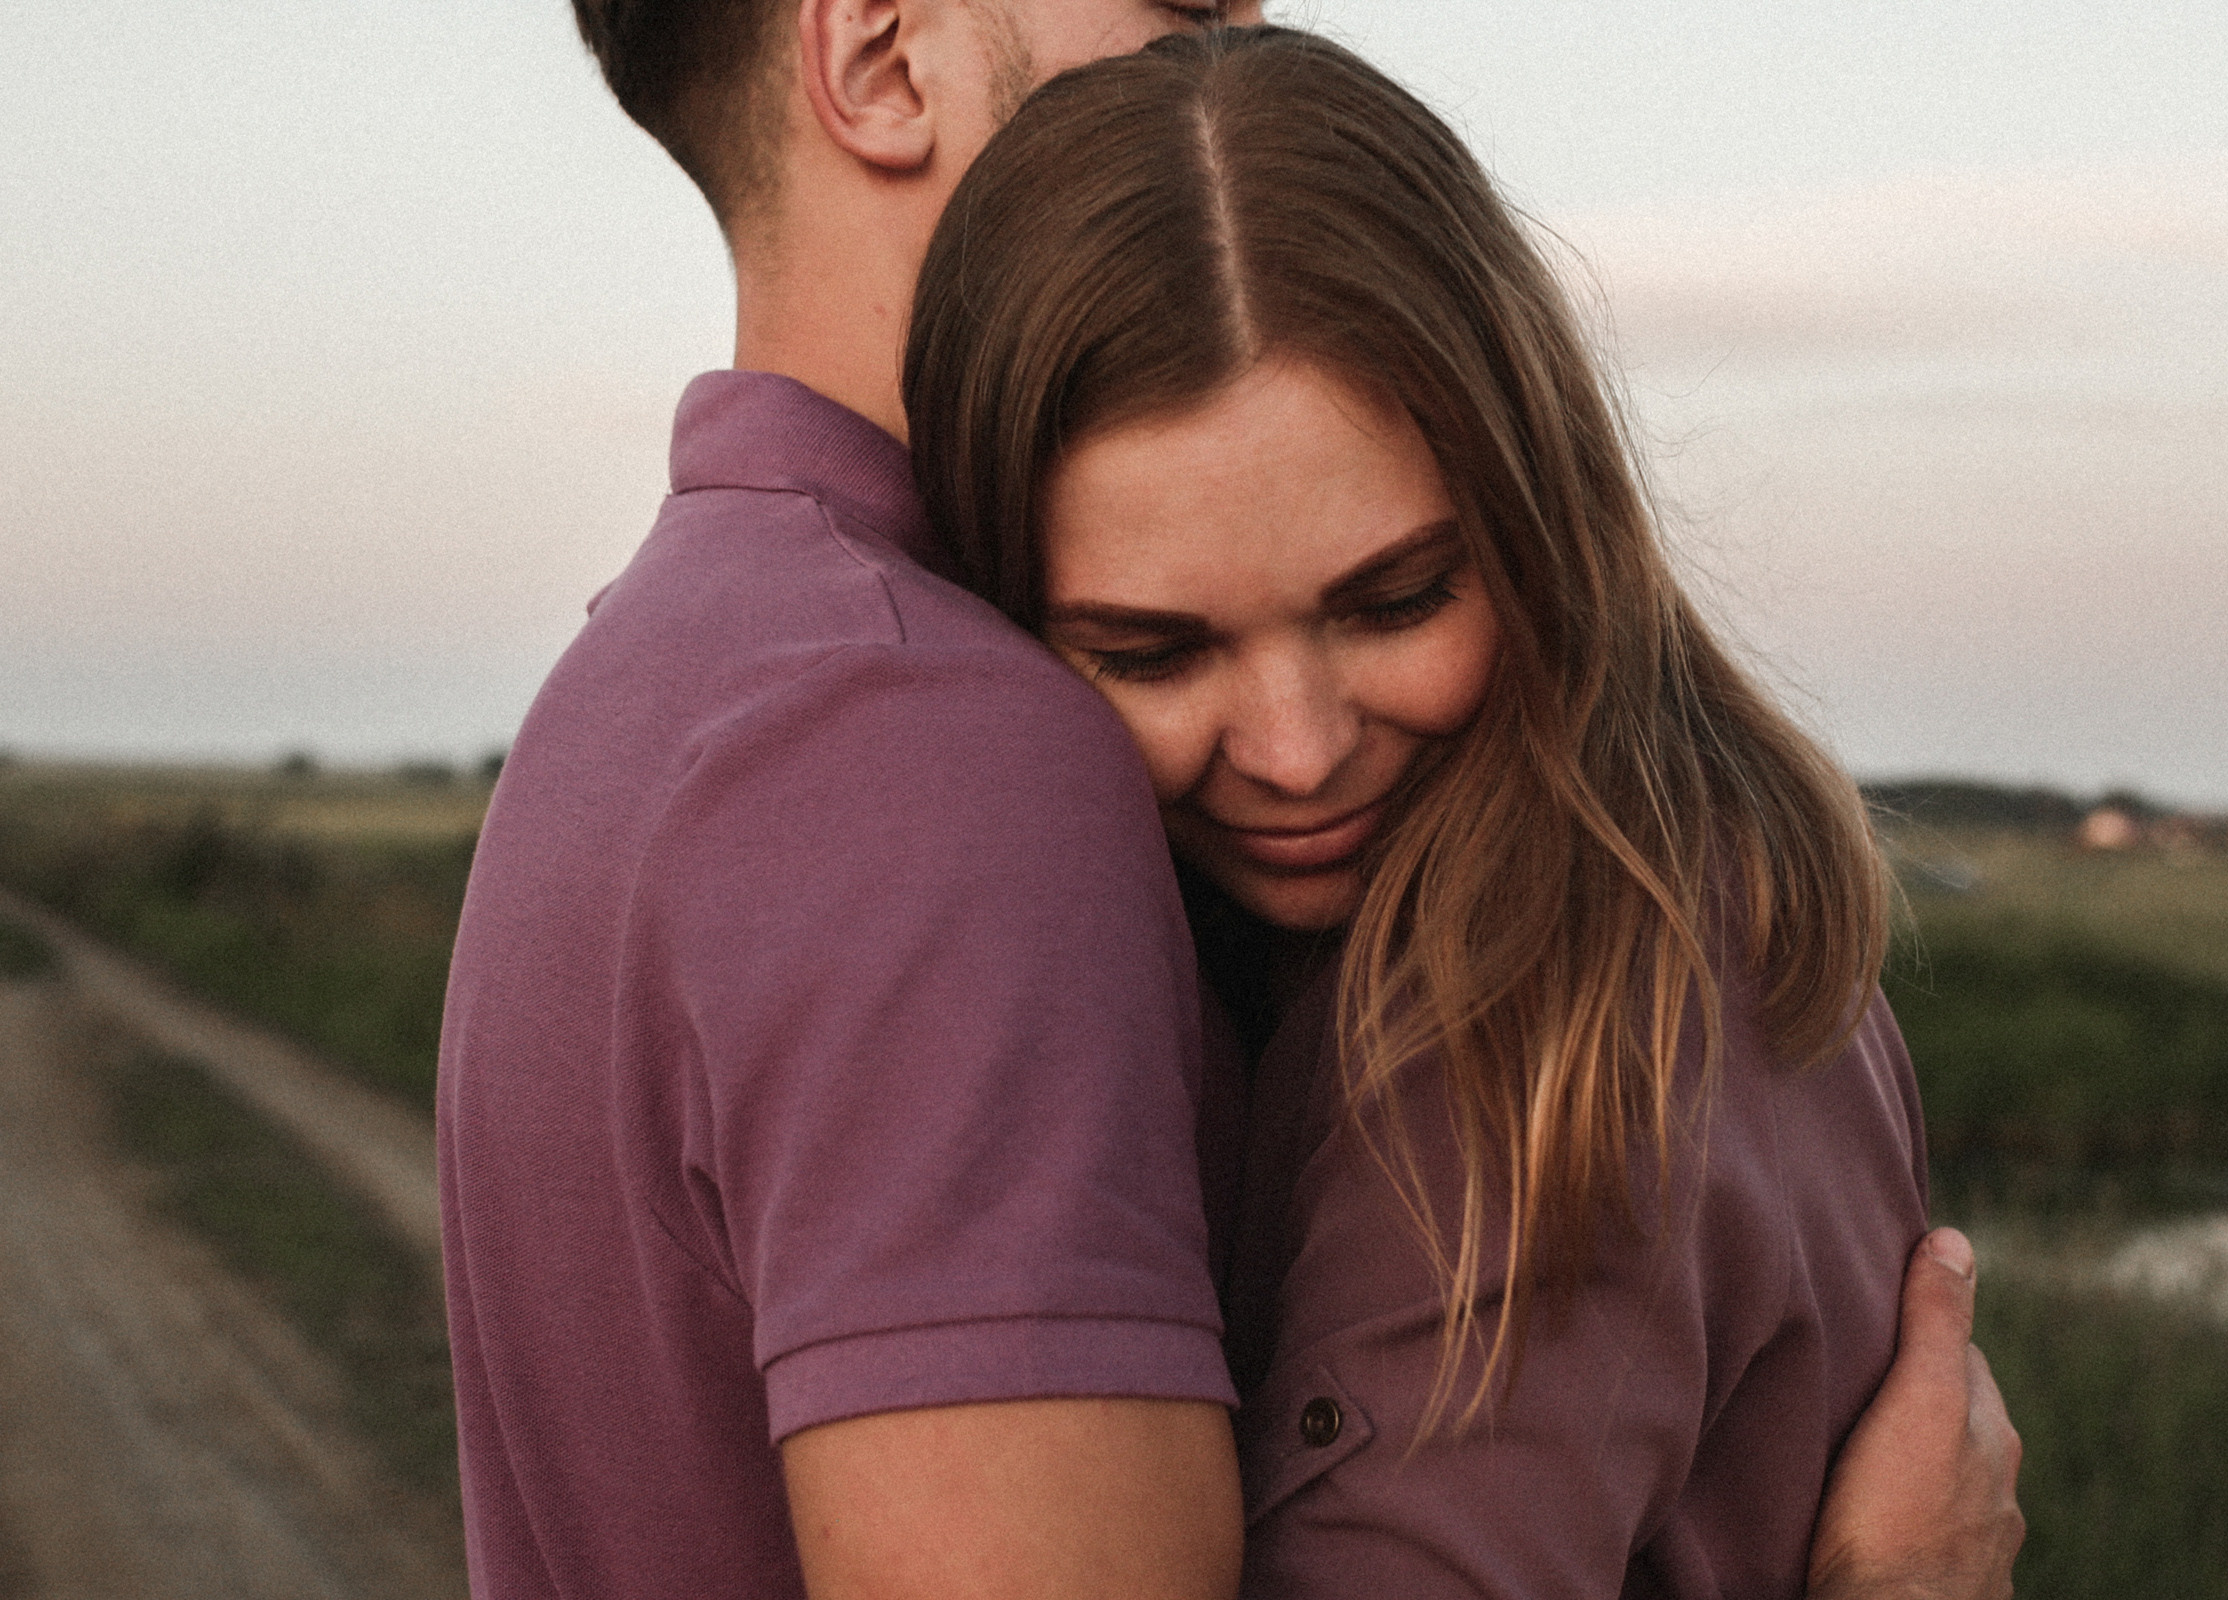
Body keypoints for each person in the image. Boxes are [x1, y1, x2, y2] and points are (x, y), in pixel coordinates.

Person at [439, 3, 2016, 1596]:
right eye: (1182, 11)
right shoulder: (928, 741)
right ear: (882, 55)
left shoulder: (643, 687)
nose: (1295, 750)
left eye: (1398, 597)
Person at [904, 25, 2022, 1599]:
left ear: (1541, 514)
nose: (1296, 752)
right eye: (1153, 654)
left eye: (1398, 601)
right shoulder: (1704, 871)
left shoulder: (1529, 1045)